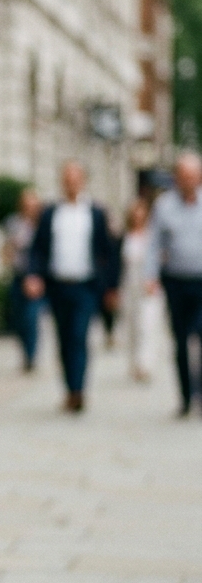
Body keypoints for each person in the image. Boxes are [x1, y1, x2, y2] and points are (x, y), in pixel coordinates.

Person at [25, 161, 118, 411]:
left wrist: (111, 287)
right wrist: (33, 276)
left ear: (83, 181)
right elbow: (38, 250)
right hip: (58, 285)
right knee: (64, 339)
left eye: (76, 179)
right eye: (67, 179)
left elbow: (108, 252)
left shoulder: (96, 213)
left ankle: (78, 391)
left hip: (86, 286)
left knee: (79, 336)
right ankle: (69, 388)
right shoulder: (50, 213)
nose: (71, 183)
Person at [146, 151, 202, 415]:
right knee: (180, 341)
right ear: (176, 178)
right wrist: (151, 276)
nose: (188, 180)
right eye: (183, 176)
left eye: (193, 175)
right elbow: (154, 244)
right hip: (176, 281)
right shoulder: (164, 205)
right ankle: (185, 396)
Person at [120, 197, 162, 382]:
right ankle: (133, 362)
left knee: (147, 325)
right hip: (129, 285)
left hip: (148, 285)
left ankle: (145, 364)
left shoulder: (153, 236)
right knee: (131, 326)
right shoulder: (125, 237)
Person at [4, 187, 43, 370]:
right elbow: (6, 248)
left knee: (31, 318)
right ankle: (24, 350)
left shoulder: (41, 224)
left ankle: (31, 355)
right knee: (18, 318)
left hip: (35, 278)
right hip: (18, 275)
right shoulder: (13, 223)